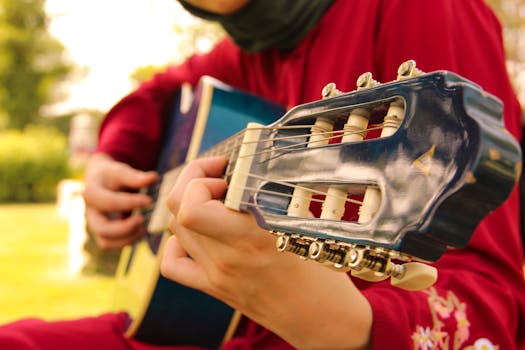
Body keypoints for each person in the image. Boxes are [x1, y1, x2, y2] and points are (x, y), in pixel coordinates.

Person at [1, 0, 524, 349]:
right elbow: (155, 95)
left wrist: (345, 326)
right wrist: (110, 158)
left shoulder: (419, 9)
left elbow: (494, 301)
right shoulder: (245, 49)